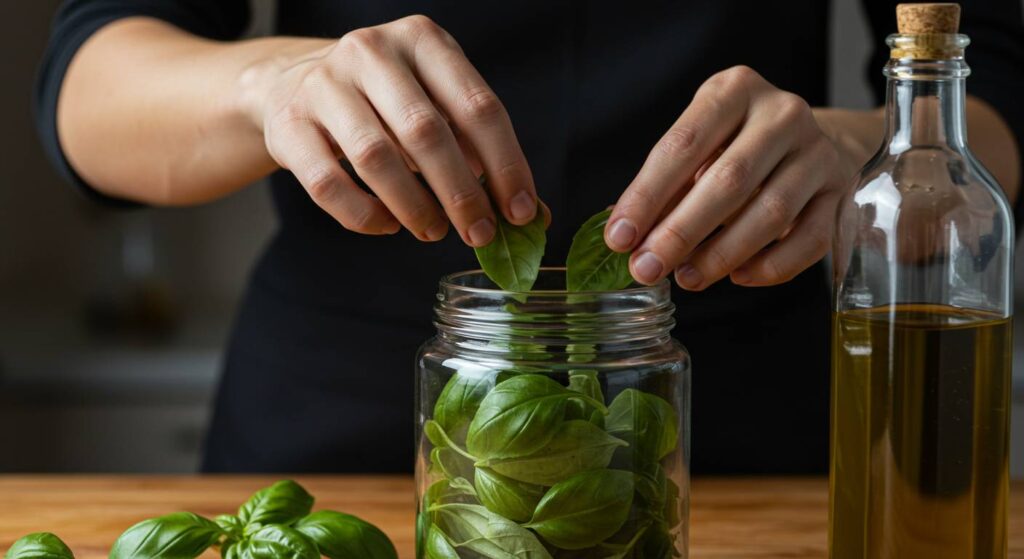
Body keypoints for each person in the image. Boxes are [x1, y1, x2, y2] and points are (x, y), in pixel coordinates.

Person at [35, 1, 1023, 474]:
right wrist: (268, 88)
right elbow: (84, 85)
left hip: (732, 435)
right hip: (337, 427)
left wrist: (880, 147)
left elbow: (1004, 88)